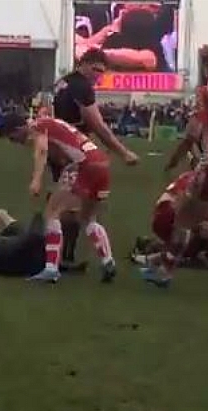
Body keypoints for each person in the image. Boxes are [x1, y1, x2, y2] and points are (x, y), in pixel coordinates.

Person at [0, 114, 128, 283]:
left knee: (52, 213)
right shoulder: (51, 122)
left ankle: (51, 269)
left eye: (12, 138)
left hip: (83, 165)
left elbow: (42, 150)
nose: (14, 142)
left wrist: (36, 179)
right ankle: (107, 261)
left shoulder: (38, 127)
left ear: (18, 128)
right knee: (87, 218)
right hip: (101, 162)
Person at [50, 48, 138, 269]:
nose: (97, 75)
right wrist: (123, 152)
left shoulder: (63, 81)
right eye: (96, 69)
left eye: (101, 72)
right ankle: (64, 259)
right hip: (73, 148)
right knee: (72, 205)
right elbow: (97, 125)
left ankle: (64, 256)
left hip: (59, 145)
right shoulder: (82, 86)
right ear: (84, 63)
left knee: (66, 200)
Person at [141, 158, 208, 286]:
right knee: (188, 228)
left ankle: (158, 262)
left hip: (163, 215)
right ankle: (164, 268)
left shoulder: (193, 175)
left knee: (187, 227)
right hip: (170, 217)